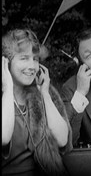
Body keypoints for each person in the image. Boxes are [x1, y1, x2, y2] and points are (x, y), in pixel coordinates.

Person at [2, 29, 73, 176]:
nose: (32, 66)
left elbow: (62, 140)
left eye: (35, 59)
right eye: (24, 58)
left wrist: (45, 95)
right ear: (6, 62)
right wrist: (7, 87)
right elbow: (3, 137)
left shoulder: (44, 92)